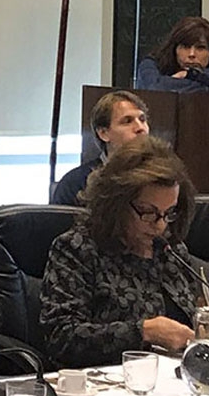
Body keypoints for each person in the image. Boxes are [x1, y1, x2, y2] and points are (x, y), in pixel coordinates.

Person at [40, 137, 199, 368]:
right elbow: (60, 337)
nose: (160, 225)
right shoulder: (77, 248)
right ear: (117, 203)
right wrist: (144, 331)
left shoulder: (170, 250)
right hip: (104, 381)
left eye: (169, 213)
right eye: (147, 212)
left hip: (174, 379)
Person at [50, 90, 150, 206]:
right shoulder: (75, 183)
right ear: (103, 133)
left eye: (142, 120)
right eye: (127, 121)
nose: (140, 128)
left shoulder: (161, 176)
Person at [136, 16, 209, 92]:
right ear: (174, 48)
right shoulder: (152, 64)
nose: (192, 54)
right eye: (185, 47)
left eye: (200, 48)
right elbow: (154, 90)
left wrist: (192, 75)